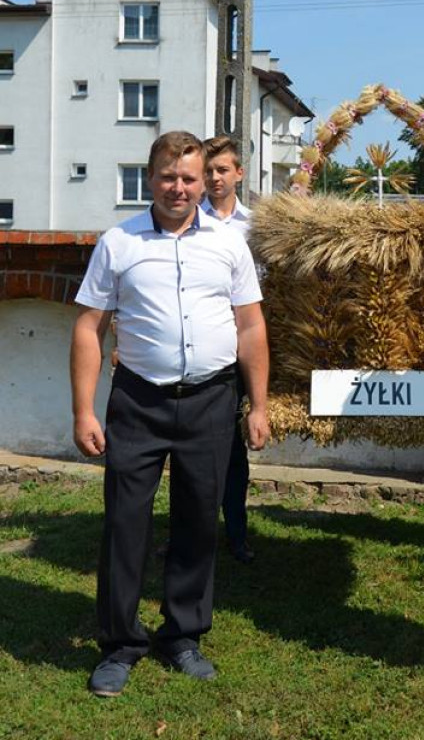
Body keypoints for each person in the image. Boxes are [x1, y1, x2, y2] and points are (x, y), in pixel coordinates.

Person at [71, 130, 269, 698]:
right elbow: (89, 327)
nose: (179, 187)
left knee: (198, 520)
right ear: (150, 176)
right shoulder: (119, 242)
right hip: (137, 401)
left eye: (190, 177)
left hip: (211, 400)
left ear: (204, 178)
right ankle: (120, 644)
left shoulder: (230, 245)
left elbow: (251, 324)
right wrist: (84, 409)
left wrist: (257, 404)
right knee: (125, 523)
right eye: (168, 176)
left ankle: (182, 636)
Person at [202, 135, 256, 564]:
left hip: (237, 352)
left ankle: (236, 534)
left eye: (222, 170)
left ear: (239, 173)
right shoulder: (186, 221)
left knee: (233, 450)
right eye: (209, 170)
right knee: (189, 452)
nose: (215, 178)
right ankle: (189, 532)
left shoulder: (255, 227)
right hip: (198, 350)